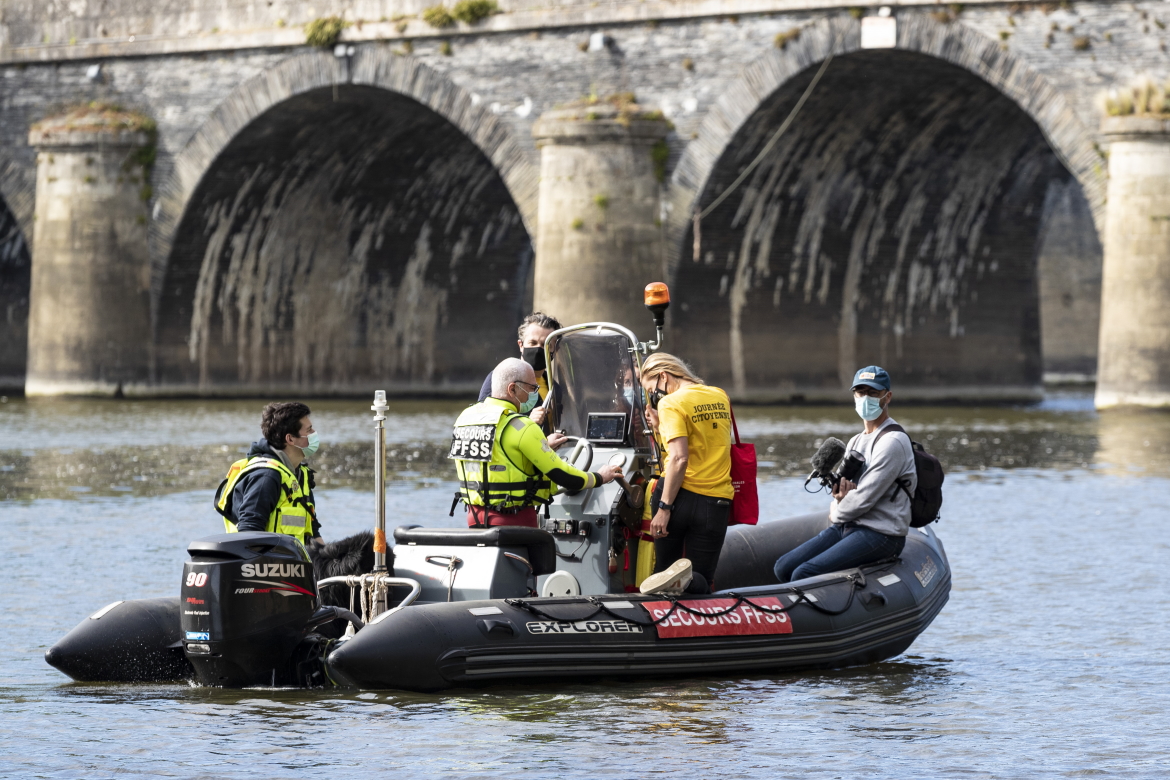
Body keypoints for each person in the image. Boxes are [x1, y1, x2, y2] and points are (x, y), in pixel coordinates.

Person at [773, 366, 916, 583]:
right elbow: (843, 496)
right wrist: (840, 499)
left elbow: (862, 500)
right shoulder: (856, 441)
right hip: (849, 525)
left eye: (873, 392)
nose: (865, 398)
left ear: (887, 397)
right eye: (860, 392)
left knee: (803, 573)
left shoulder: (893, 442)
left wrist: (835, 512)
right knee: (783, 567)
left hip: (882, 534)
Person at [452, 357, 622, 528]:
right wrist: (600, 477)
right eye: (531, 388)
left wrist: (543, 446)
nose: (534, 394)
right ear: (512, 389)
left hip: (475, 519)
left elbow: (499, 457)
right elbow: (564, 476)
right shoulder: (521, 425)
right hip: (514, 520)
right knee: (546, 550)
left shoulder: (465, 418)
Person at [636, 353, 733, 595]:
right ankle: (692, 601)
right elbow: (707, 441)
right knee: (702, 577)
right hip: (716, 501)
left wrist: (663, 509)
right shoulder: (719, 395)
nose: (654, 395)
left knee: (663, 572)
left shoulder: (670, 403)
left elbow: (679, 458)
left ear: (663, 376)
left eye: (652, 389)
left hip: (677, 497)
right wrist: (661, 427)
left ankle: (665, 614)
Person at [214, 401, 324, 547]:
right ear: (290, 439)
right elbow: (248, 533)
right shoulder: (266, 476)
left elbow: (313, 531)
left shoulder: (301, 474)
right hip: (261, 565)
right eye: (309, 430)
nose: (314, 433)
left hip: (291, 564)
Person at [478, 312, 561, 427]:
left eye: (546, 344)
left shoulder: (555, 387)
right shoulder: (499, 378)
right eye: (533, 342)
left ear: (555, 350)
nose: (538, 349)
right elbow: (484, 422)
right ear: (521, 345)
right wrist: (528, 422)